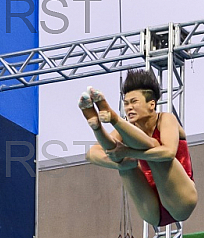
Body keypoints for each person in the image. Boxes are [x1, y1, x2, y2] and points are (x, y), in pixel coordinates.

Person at [79, 69, 197, 227]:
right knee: (124, 165)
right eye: (126, 104)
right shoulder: (129, 129)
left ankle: (113, 118)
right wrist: (120, 162)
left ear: (151, 104)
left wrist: (128, 152)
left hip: (181, 201)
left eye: (134, 102)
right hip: (153, 211)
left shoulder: (166, 119)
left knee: (154, 146)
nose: (129, 108)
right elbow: (91, 154)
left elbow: (168, 153)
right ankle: (97, 127)